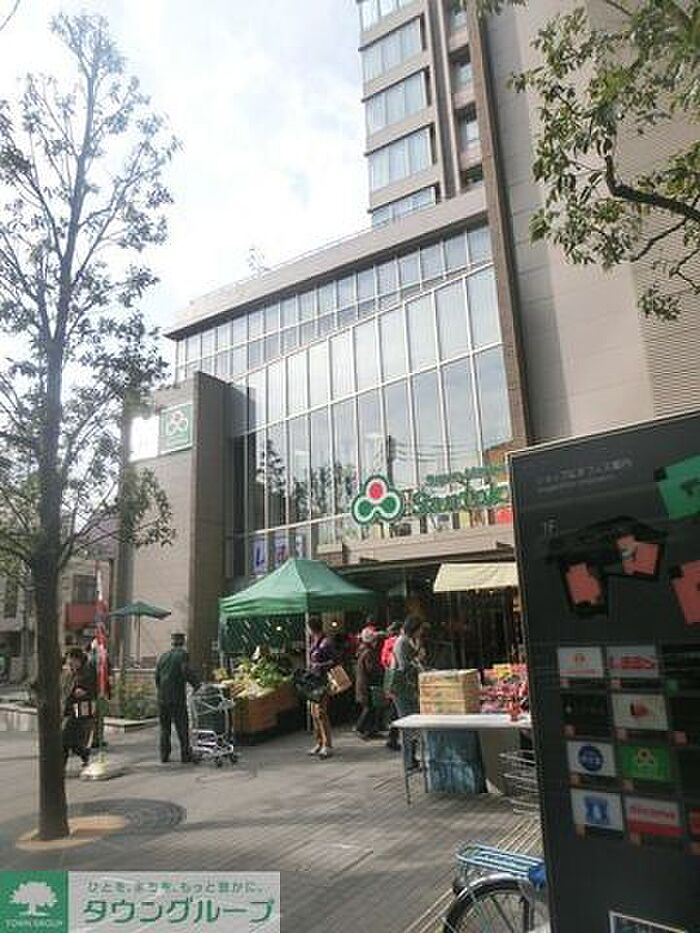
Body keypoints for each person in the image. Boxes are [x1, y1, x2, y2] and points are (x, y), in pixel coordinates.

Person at [155, 632, 200, 764]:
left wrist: (161, 691)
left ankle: (164, 755)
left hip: (162, 698)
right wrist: (196, 684)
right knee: (182, 726)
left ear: (172, 642)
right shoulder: (182, 654)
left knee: (165, 728)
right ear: (183, 642)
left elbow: (157, 677)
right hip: (176, 697)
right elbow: (185, 670)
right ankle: (185, 755)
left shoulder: (163, 656)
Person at [390, 617, 424, 772]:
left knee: (411, 725)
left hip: (406, 689)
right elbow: (405, 666)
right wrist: (418, 661)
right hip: (402, 690)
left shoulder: (407, 641)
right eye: (420, 629)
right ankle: (408, 762)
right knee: (407, 725)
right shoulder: (402, 642)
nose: (421, 632)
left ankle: (411, 759)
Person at [62, 647, 97, 770]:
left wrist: (84, 692)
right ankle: (84, 753)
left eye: (70, 660)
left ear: (77, 659)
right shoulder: (72, 672)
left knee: (64, 738)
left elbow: (95, 690)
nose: (69, 663)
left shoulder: (87, 671)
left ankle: (60, 766)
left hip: (83, 708)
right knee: (70, 741)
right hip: (72, 708)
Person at [307, 617, 336, 759]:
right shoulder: (315, 641)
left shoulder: (326, 642)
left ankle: (327, 744)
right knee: (313, 712)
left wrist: (319, 665)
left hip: (323, 680)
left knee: (321, 712)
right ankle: (319, 742)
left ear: (310, 628)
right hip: (314, 681)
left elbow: (334, 661)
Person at [354, 626, 382, 739]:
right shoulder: (368, 652)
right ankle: (359, 727)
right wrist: (380, 670)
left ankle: (370, 730)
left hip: (363, 684)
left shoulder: (362, 650)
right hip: (367, 684)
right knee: (369, 707)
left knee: (370, 707)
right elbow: (371, 669)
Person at [380, 620, 402, 751]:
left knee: (394, 709)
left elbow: (383, 661)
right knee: (397, 710)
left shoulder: (386, 643)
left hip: (389, 677)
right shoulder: (398, 643)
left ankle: (392, 737)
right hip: (398, 679)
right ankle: (393, 738)